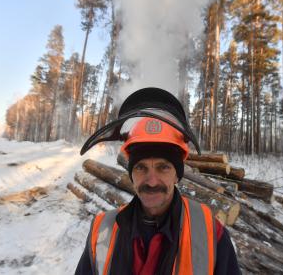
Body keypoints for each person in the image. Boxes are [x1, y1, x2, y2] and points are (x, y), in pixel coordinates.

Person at [75, 116, 241, 275]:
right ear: (132, 174)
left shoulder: (208, 231)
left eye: (163, 167)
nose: (152, 182)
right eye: (141, 167)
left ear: (177, 175)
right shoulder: (102, 228)